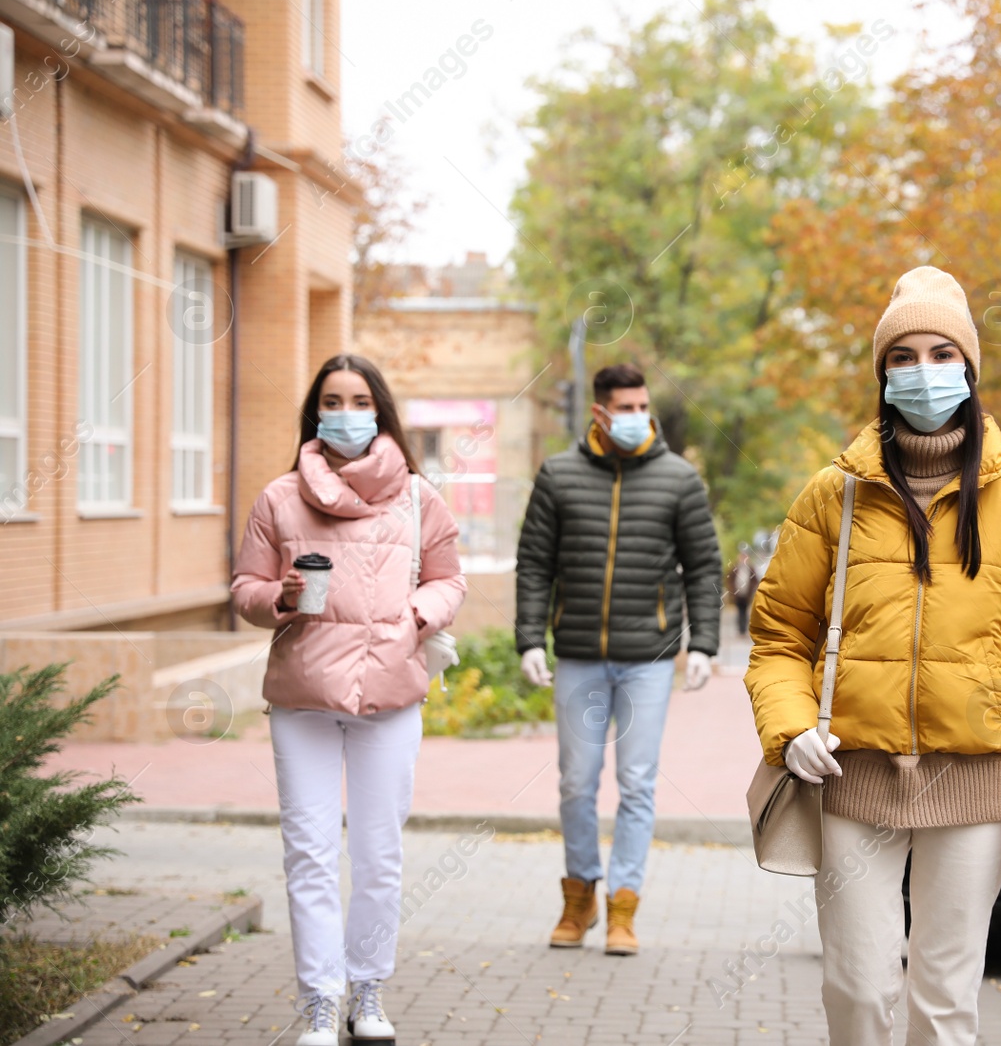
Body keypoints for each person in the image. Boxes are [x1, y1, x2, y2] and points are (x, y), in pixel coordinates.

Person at [745, 267, 1001, 1046]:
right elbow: (778, 638)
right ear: (882, 373)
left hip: (978, 782)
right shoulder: (835, 494)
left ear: (969, 368)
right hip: (851, 775)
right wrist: (790, 726)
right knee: (857, 990)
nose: (923, 372)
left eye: (941, 353)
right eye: (903, 356)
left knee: (944, 999)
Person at [232, 354, 466, 1046]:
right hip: (303, 696)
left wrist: (417, 615)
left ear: (380, 410)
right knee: (307, 852)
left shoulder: (421, 498)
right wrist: (275, 597)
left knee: (377, 852)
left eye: (359, 399)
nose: (346, 412)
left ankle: (367, 989)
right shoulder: (278, 498)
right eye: (332, 400)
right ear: (315, 415)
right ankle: (320, 1003)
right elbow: (245, 585)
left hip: (390, 696)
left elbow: (450, 580)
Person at [514, 362, 723, 956]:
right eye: (624, 409)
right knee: (577, 784)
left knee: (636, 783)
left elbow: (704, 566)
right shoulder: (558, 475)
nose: (636, 418)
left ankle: (623, 906)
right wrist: (531, 637)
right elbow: (534, 564)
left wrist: (703, 643)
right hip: (578, 653)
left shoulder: (679, 478)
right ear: (600, 413)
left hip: (648, 658)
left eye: (642, 408)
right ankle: (578, 895)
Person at [726, 544, 760, 636]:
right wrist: (732, 589)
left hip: (746, 594)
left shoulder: (751, 568)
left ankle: (744, 629)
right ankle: (740, 628)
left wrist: (752, 589)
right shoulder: (735, 567)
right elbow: (729, 579)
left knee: (744, 611)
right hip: (737, 594)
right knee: (739, 611)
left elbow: (755, 580)